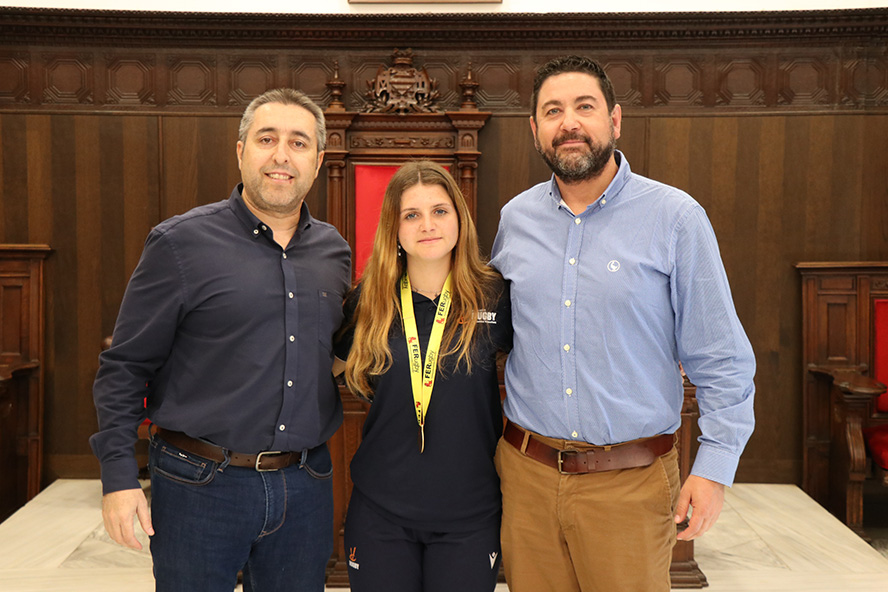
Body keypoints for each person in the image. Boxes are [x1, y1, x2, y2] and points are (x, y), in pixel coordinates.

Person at [490, 55, 756, 592]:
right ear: (535, 129)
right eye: (553, 111)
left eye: (584, 107)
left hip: (629, 483)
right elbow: (496, 324)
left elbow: (721, 357)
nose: (569, 123)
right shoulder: (515, 219)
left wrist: (713, 469)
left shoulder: (675, 217)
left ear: (614, 120)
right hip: (527, 478)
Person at [89, 88, 351, 592]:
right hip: (199, 485)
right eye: (266, 138)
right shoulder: (180, 244)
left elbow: (337, 353)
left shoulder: (333, 251)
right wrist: (119, 477)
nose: (281, 155)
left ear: (318, 161)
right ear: (240, 150)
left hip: (305, 484)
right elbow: (123, 368)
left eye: (298, 143)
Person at [333, 161, 511, 592]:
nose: (427, 225)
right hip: (381, 512)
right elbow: (321, 370)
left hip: (470, 514)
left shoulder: (496, 295)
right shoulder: (368, 300)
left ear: (459, 219)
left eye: (439, 211)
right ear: (393, 228)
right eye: (411, 215)